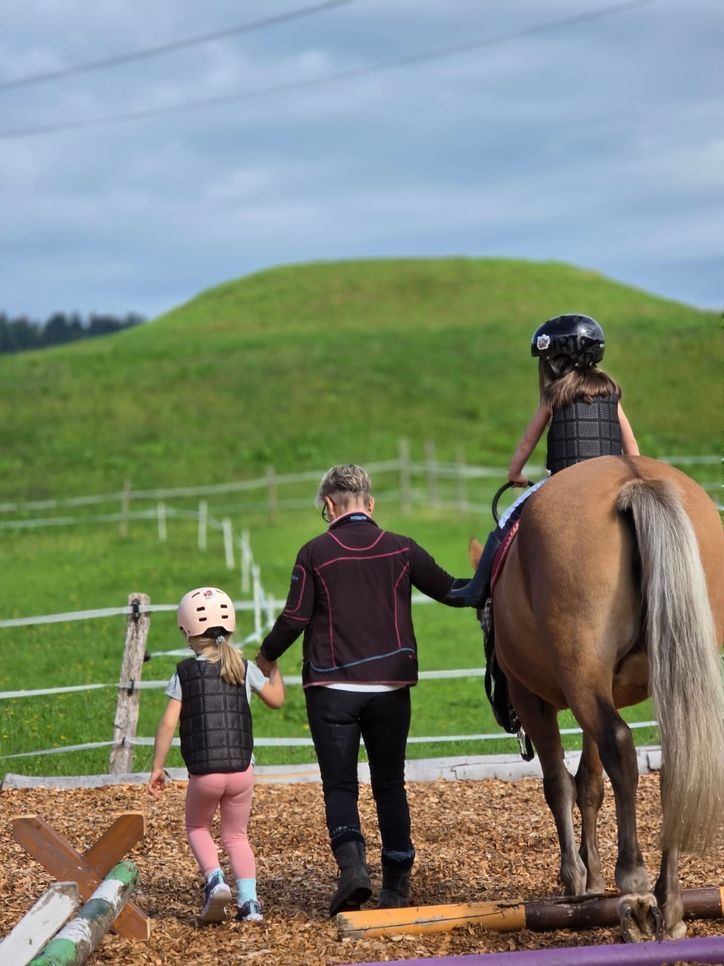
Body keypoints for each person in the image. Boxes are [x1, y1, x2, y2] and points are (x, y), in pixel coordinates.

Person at [255, 464, 467, 916]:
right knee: (390, 784)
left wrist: (266, 657)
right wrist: (495, 571)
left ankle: (353, 870)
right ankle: (397, 884)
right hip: (391, 686)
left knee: (340, 786)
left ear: (329, 505)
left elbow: (295, 618)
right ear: (370, 504)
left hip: (332, 688)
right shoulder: (402, 548)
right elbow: (453, 591)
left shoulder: (314, 552)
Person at [454, 313, 639, 609]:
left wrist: (514, 473)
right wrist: (634, 476)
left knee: (508, 519)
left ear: (557, 360)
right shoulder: (610, 392)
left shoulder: (554, 395)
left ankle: (476, 590)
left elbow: (528, 441)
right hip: (614, 478)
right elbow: (630, 444)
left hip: (566, 479)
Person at [148, 586, 285, 924]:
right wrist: (274, 667)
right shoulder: (244, 667)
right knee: (236, 836)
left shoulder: (184, 673)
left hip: (205, 774)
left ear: (186, 632)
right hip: (242, 770)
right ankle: (249, 903)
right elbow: (277, 700)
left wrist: (157, 767)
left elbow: (167, 724)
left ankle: (215, 880)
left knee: (197, 826)